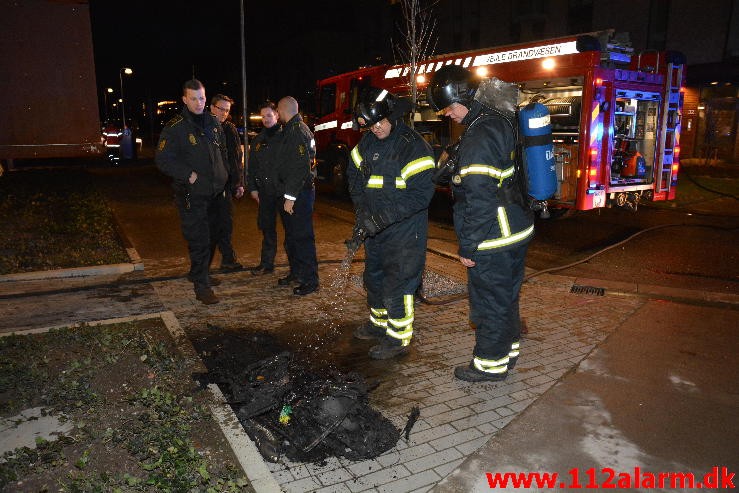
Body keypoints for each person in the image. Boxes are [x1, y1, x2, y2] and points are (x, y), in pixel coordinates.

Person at [427, 65, 534, 381]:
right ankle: (507, 353)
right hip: (516, 228)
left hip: (493, 237)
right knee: (506, 297)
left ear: (461, 95)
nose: (447, 114)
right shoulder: (499, 120)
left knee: (490, 302)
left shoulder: (480, 134)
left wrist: (469, 244)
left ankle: (489, 364)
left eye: (448, 106)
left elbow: (479, 197)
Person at [346, 87, 435, 360]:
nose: (376, 129)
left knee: (399, 283)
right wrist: (362, 214)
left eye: (379, 123)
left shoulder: (412, 145)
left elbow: (420, 195)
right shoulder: (366, 145)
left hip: (405, 232)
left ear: (391, 117)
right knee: (374, 278)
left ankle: (398, 337)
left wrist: (381, 220)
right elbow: (355, 178)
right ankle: (378, 324)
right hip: (375, 229)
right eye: (370, 126)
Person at [155, 79, 229, 305]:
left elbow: (222, 153)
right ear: (185, 100)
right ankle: (201, 287)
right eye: (194, 98)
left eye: (202, 98)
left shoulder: (213, 122)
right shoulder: (175, 127)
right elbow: (162, 159)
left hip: (216, 193)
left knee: (216, 235)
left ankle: (200, 273)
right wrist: (188, 174)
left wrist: (228, 178)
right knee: (200, 240)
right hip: (192, 195)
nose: (199, 102)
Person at [274, 96, 319, 296]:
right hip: (294, 192)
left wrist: (290, 197)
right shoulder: (292, 129)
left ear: (282, 111)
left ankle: (310, 280)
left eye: (277, 111)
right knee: (292, 237)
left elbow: (301, 167)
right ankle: (297, 273)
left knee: (302, 238)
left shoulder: (297, 131)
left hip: (300, 193)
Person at [209, 94, 245, 272]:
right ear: (212, 107)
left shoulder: (229, 129)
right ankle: (216, 261)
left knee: (224, 222)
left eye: (227, 110)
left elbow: (236, 159)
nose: (224, 113)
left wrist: (238, 183)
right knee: (210, 224)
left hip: (224, 186)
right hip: (205, 186)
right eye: (221, 109)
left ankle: (228, 258)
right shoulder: (202, 127)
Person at [246, 101, 281, 276]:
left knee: (291, 232)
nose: (266, 119)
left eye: (269, 115)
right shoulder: (258, 140)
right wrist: (252, 188)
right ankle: (266, 263)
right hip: (265, 192)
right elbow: (251, 168)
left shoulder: (285, 137)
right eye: (263, 116)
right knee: (267, 229)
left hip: (282, 192)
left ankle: (296, 267)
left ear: (277, 115)